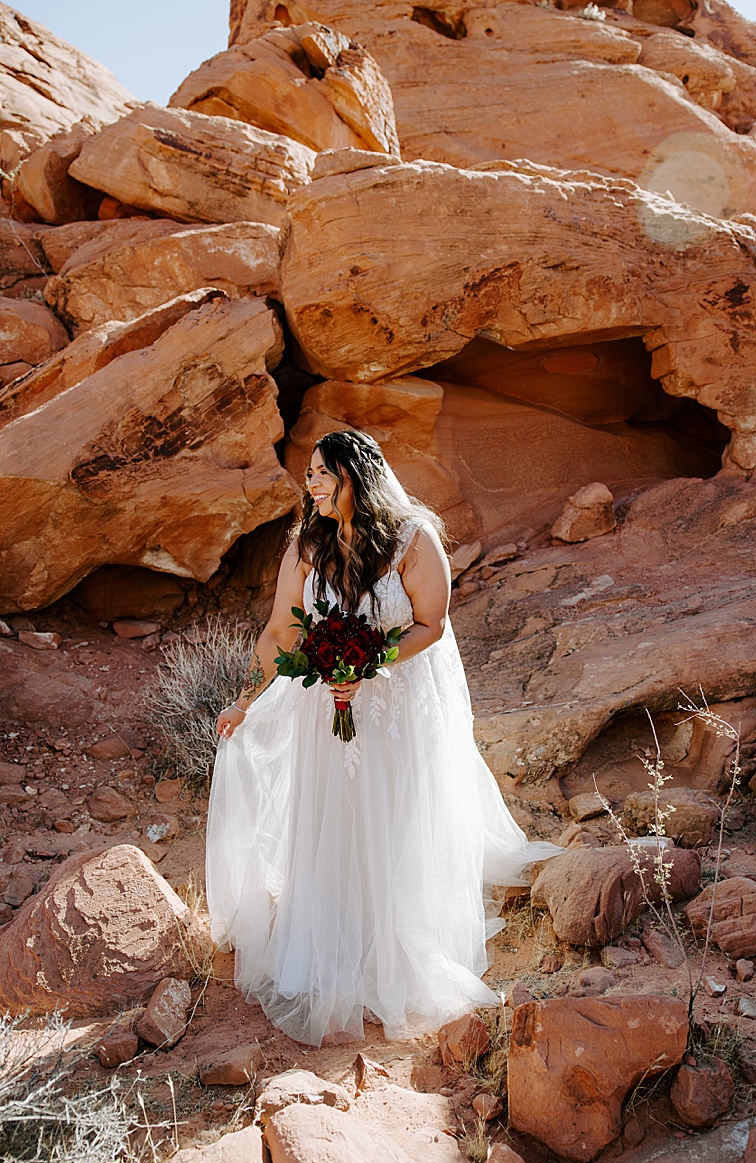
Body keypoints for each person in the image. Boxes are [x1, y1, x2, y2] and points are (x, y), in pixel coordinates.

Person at [206, 430, 562, 1047]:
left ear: (355, 477)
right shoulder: (306, 546)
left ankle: (395, 945)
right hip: (328, 709)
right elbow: (278, 635)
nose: (310, 484)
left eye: (322, 474)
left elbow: (433, 621)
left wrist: (369, 660)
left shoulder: (413, 540)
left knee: (392, 818)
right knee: (333, 820)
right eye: (309, 474)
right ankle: (330, 938)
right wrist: (244, 700)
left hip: (397, 707)